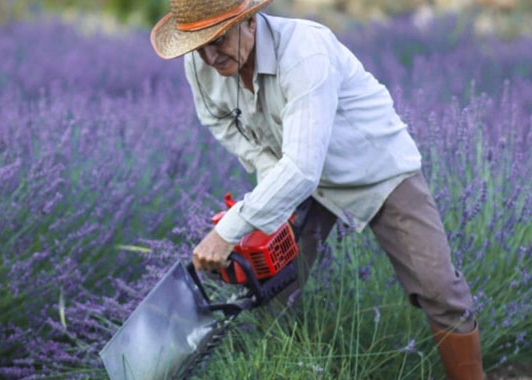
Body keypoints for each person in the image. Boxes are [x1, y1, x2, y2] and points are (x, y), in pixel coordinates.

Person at [150, 0, 484, 378]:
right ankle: (286, 368)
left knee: (438, 288)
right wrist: (266, 169)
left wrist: (227, 231)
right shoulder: (200, 63)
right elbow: (218, 120)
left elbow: (304, 168)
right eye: (200, 46)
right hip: (292, 172)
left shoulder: (304, 52)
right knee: (273, 290)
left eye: (219, 40)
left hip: (373, 168)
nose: (210, 56)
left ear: (248, 22)